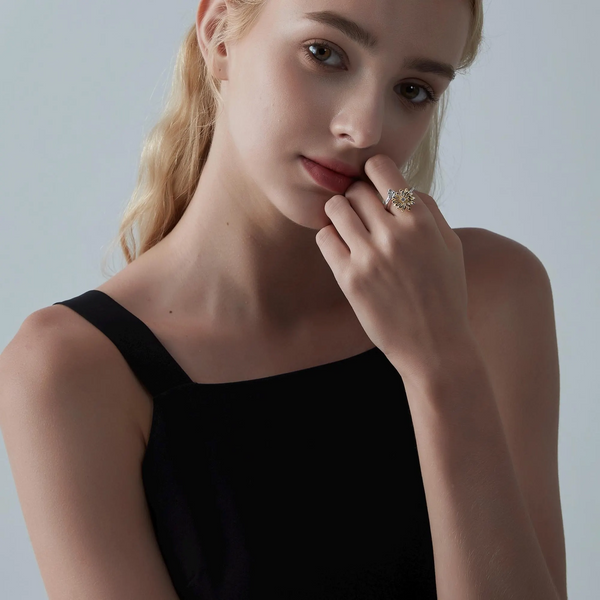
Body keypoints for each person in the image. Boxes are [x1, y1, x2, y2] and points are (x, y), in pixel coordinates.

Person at [0, 0, 567, 599]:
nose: (364, 128)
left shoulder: (492, 293)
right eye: (325, 54)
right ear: (219, 34)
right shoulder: (71, 371)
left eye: (413, 89)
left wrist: (441, 364)